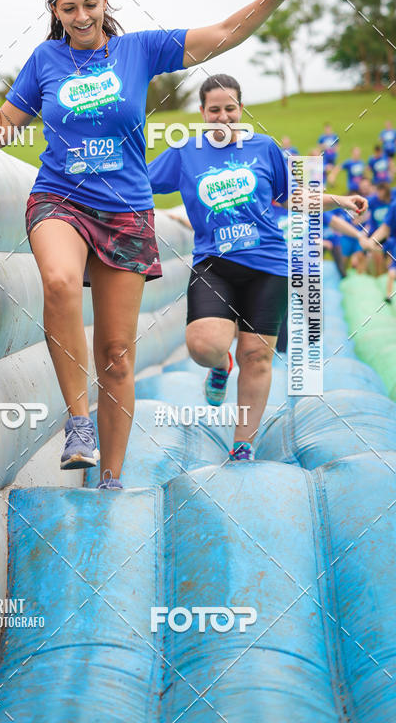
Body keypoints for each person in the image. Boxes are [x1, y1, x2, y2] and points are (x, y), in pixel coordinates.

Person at [0, 0, 328, 489]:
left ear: (106, 1)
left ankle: (109, 479)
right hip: (60, 197)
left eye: (90, 4)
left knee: (117, 358)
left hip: (125, 211)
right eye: (68, 8)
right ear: (55, 12)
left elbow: (223, 33)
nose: (81, 17)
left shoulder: (139, 50)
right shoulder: (45, 60)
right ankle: (78, 422)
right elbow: (2, 132)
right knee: (58, 282)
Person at [148, 74, 367, 462]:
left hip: (269, 265)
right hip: (214, 263)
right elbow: (139, 182)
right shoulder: (186, 152)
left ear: (240, 109)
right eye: (214, 110)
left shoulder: (264, 147)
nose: (223, 117)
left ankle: (242, 444)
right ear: (202, 113)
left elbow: (295, 198)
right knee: (203, 345)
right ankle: (220, 364)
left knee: (258, 355)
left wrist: (340, 199)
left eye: (230, 108)